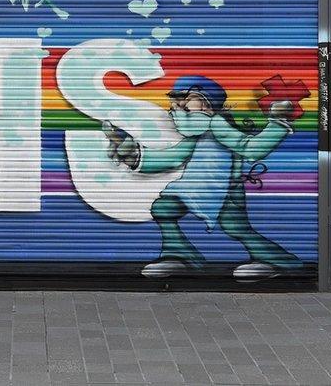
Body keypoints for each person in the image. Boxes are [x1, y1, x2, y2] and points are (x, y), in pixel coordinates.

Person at [105, 75, 304, 282]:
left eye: (185, 100)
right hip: (192, 188)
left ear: (206, 102)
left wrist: (278, 123)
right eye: (176, 103)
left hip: (224, 191)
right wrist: (131, 155)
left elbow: (250, 148)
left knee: (236, 228)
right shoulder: (196, 134)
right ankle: (181, 257)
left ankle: (281, 261)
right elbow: (172, 157)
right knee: (164, 208)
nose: (178, 107)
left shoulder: (217, 125)